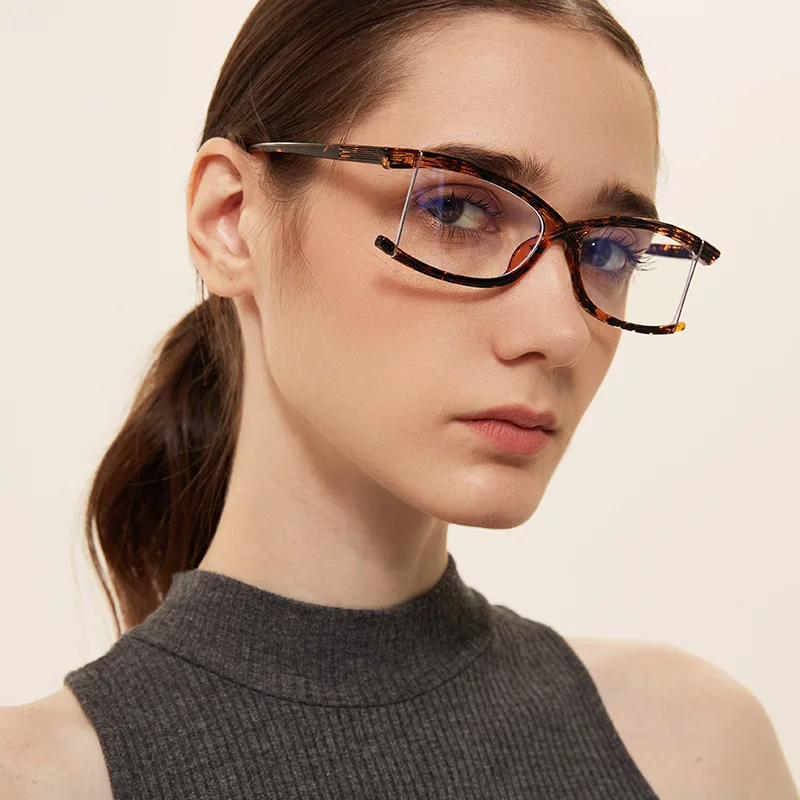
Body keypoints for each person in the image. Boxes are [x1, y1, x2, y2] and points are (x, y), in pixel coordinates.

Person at [2, 0, 798, 798]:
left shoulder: (693, 752)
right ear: (231, 220)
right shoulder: (38, 777)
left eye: (612, 251)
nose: (561, 331)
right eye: (456, 209)